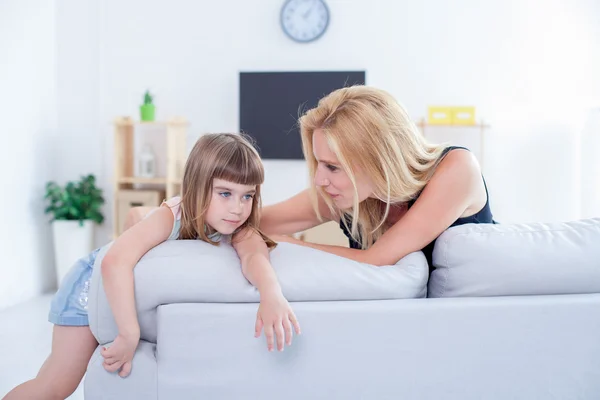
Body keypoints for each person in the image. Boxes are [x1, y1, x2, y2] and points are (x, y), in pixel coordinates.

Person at [3, 133, 300, 400]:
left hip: (127, 292)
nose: (238, 207)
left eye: (247, 195)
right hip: (89, 286)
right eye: (225, 193)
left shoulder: (241, 228)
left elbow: (254, 258)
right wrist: (129, 333)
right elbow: (114, 261)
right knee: (55, 385)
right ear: (197, 186)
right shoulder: (172, 215)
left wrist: (272, 295)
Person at [259, 85, 496, 269]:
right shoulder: (342, 193)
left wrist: (286, 245)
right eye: (318, 163)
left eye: (333, 167)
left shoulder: (457, 169)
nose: (319, 180)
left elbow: (378, 261)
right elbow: (251, 221)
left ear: (377, 161)